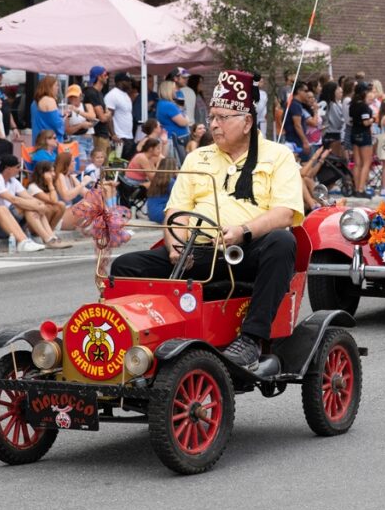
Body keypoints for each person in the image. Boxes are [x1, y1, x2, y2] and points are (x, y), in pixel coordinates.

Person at [112, 69, 305, 370]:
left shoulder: (277, 156)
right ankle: (133, 338)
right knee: (124, 266)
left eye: (223, 117)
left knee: (282, 241)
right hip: (196, 252)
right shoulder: (197, 157)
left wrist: (243, 231)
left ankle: (251, 339)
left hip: (244, 252)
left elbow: (284, 213)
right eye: (212, 116)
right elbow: (175, 211)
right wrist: (175, 244)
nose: (213, 124)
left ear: (247, 121)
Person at [0, 154, 70, 248]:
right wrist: (37, 206)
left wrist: (40, 205)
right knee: (31, 207)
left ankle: (50, 238)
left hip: (10, 217)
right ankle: (45, 239)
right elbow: (13, 199)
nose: (20, 169)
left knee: (33, 207)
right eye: (17, 167)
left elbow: (28, 197)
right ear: (8, 168)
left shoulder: (13, 180)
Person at [26, 161, 69, 233]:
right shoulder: (33, 187)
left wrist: (50, 185)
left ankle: (50, 232)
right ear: (42, 173)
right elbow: (53, 200)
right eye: (50, 172)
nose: (53, 174)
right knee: (49, 207)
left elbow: (55, 201)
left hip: (44, 219)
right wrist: (50, 184)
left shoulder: (47, 186)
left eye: (53, 171)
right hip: (34, 221)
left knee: (61, 205)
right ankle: (43, 233)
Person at [349, 83, 374, 197]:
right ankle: (361, 189)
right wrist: (373, 119)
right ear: (364, 92)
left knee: (357, 163)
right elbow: (365, 122)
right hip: (364, 134)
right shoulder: (364, 106)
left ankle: (356, 188)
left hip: (354, 133)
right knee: (366, 163)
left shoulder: (352, 105)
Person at [155, 81, 190, 162]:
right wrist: (187, 118)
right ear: (168, 90)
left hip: (171, 138)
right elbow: (183, 122)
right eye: (174, 89)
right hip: (174, 141)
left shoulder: (162, 103)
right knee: (176, 165)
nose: (176, 91)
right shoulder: (168, 105)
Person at [104, 72, 135, 160]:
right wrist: (113, 135)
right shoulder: (112, 95)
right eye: (127, 81)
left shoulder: (125, 95)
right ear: (120, 82)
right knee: (118, 163)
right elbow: (108, 116)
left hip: (128, 136)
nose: (130, 83)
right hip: (119, 137)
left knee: (126, 164)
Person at [83, 66, 111, 156]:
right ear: (99, 77)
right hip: (97, 135)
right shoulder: (91, 93)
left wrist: (106, 114)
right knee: (101, 165)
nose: (107, 77)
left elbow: (106, 113)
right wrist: (107, 114)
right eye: (105, 74)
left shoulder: (99, 93)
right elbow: (102, 117)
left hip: (103, 134)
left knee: (104, 166)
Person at [30, 75, 64, 142]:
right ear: (50, 87)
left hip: (38, 141)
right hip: (50, 144)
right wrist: (63, 119)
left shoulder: (34, 102)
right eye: (56, 85)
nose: (58, 88)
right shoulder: (50, 100)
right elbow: (57, 124)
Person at [145, 156, 177, 223]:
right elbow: (178, 197)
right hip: (162, 215)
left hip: (151, 214)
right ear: (173, 168)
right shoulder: (171, 181)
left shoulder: (156, 179)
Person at [319, 81, 345, 148]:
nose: (340, 91)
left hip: (332, 134)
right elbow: (338, 121)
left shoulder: (336, 103)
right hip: (332, 134)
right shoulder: (331, 104)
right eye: (337, 89)